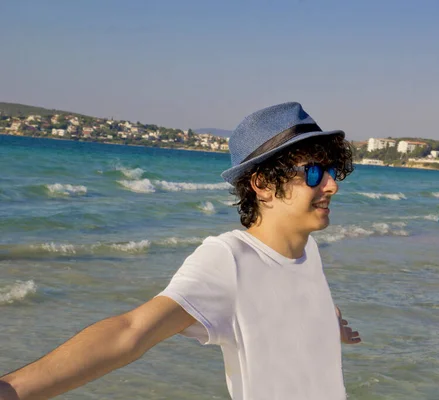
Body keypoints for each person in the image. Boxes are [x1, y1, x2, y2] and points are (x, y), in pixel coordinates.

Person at [0, 102, 361, 400]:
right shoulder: (229, 259)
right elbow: (130, 332)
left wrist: (320, 322)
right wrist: (12, 390)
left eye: (331, 170)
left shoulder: (306, 250)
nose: (332, 186)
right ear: (263, 184)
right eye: (313, 173)